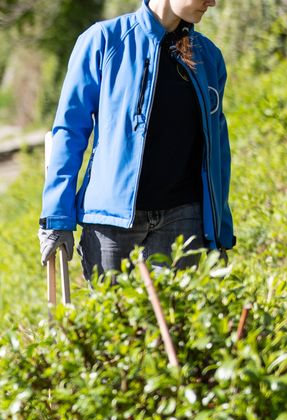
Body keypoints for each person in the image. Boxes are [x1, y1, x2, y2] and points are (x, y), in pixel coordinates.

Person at [40, 0, 233, 280]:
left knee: (173, 310)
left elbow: (217, 148)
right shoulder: (104, 40)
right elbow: (70, 131)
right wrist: (57, 217)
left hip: (183, 218)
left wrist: (220, 231)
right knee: (114, 309)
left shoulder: (208, 57)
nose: (212, 2)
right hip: (111, 221)